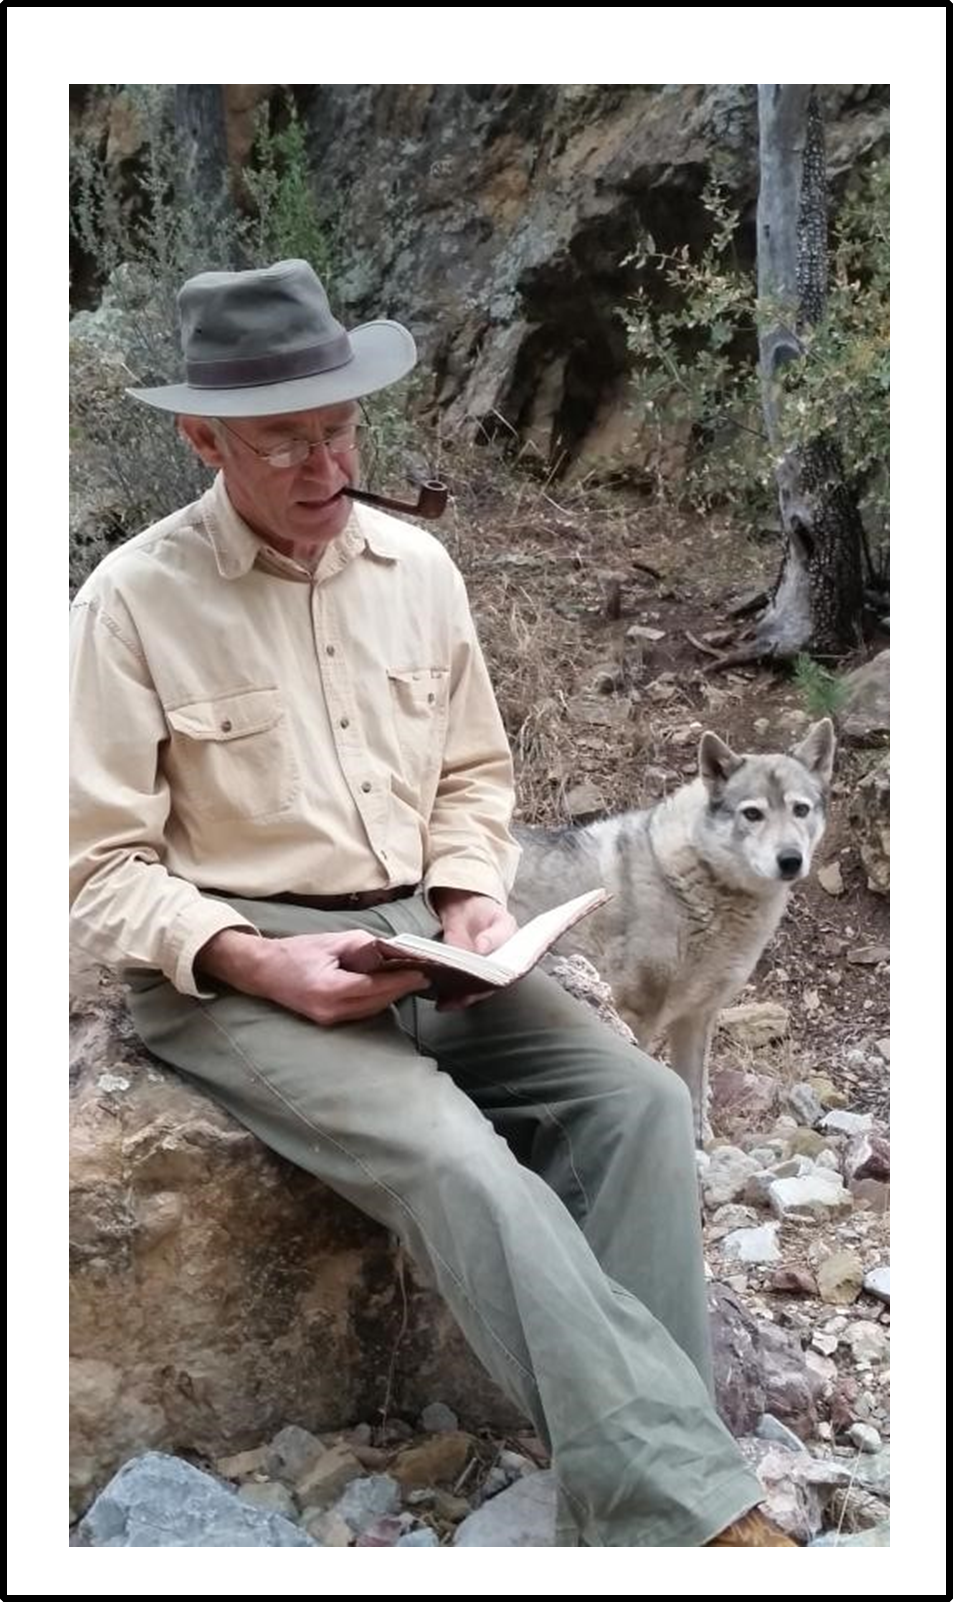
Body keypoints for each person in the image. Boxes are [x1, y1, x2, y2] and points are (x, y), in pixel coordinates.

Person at [69, 259, 794, 1547]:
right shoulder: (129, 602)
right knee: (459, 1159)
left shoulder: (419, 567)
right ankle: (693, 1518)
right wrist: (253, 962)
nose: (322, 461)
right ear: (202, 437)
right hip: (239, 968)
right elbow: (99, 871)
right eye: (282, 437)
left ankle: (662, 1474)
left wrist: (468, 898)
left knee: (638, 1101)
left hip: (419, 935)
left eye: (339, 426)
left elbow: (472, 776)